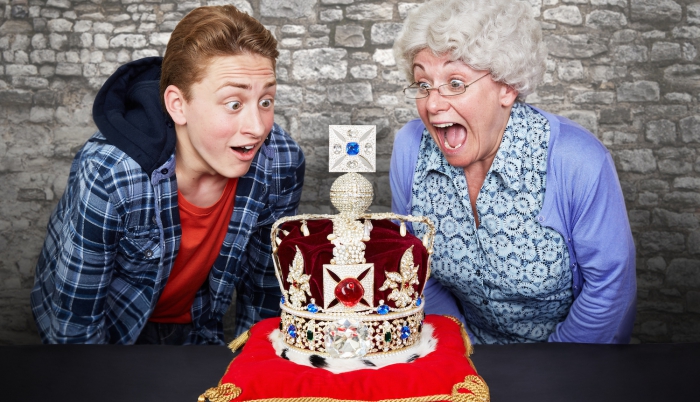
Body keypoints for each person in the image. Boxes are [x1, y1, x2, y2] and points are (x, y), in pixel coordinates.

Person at [30, 5, 305, 344]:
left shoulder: (280, 162)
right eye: (234, 103)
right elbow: (75, 326)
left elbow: (264, 294)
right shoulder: (110, 173)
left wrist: (252, 368)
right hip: (109, 334)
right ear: (178, 105)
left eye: (265, 101)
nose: (257, 128)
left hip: (200, 329)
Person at [390, 0, 635, 344]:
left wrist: (554, 367)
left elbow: (609, 288)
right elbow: (414, 266)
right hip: (460, 348)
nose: (432, 103)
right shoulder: (410, 148)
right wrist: (460, 349)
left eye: (455, 83)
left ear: (507, 87)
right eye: (423, 84)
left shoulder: (577, 160)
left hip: (567, 355)